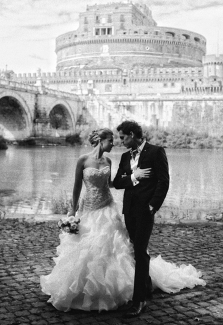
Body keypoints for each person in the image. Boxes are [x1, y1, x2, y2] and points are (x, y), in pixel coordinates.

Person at [40, 127, 205, 314]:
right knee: (86, 249)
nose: (114, 143)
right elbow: (77, 186)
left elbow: (113, 183)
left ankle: (126, 291)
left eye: (118, 139)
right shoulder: (83, 160)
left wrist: (136, 181)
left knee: (115, 249)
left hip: (107, 207)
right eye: (111, 140)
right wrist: (72, 208)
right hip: (88, 210)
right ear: (101, 141)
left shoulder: (109, 160)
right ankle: (78, 290)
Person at [113, 120, 166, 317]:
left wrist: (153, 205)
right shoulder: (125, 156)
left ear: (133, 135)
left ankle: (139, 300)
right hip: (129, 210)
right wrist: (134, 176)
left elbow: (163, 181)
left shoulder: (155, 152)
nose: (121, 141)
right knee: (135, 249)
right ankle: (147, 286)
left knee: (140, 251)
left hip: (146, 211)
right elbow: (118, 182)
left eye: (123, 137)